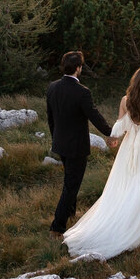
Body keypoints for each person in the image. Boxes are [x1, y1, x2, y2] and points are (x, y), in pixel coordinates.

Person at [62, 66, 140, 260]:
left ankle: (115, 223)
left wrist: (114, 140)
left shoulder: (125, 101)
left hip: (127, 151)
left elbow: (119, 129)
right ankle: (130, 230)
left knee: (124, 189)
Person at [46, 51, 120, 236]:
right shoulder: (82, 92)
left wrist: (55, 137)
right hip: (76, 147)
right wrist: (112, 132)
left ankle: (71, 214)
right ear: (78, 68)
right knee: (71, 186)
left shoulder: (52, 87)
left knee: (69, 181)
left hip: (60, 144)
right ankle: (57, 226)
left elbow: (50, 118)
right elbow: (94, 116)